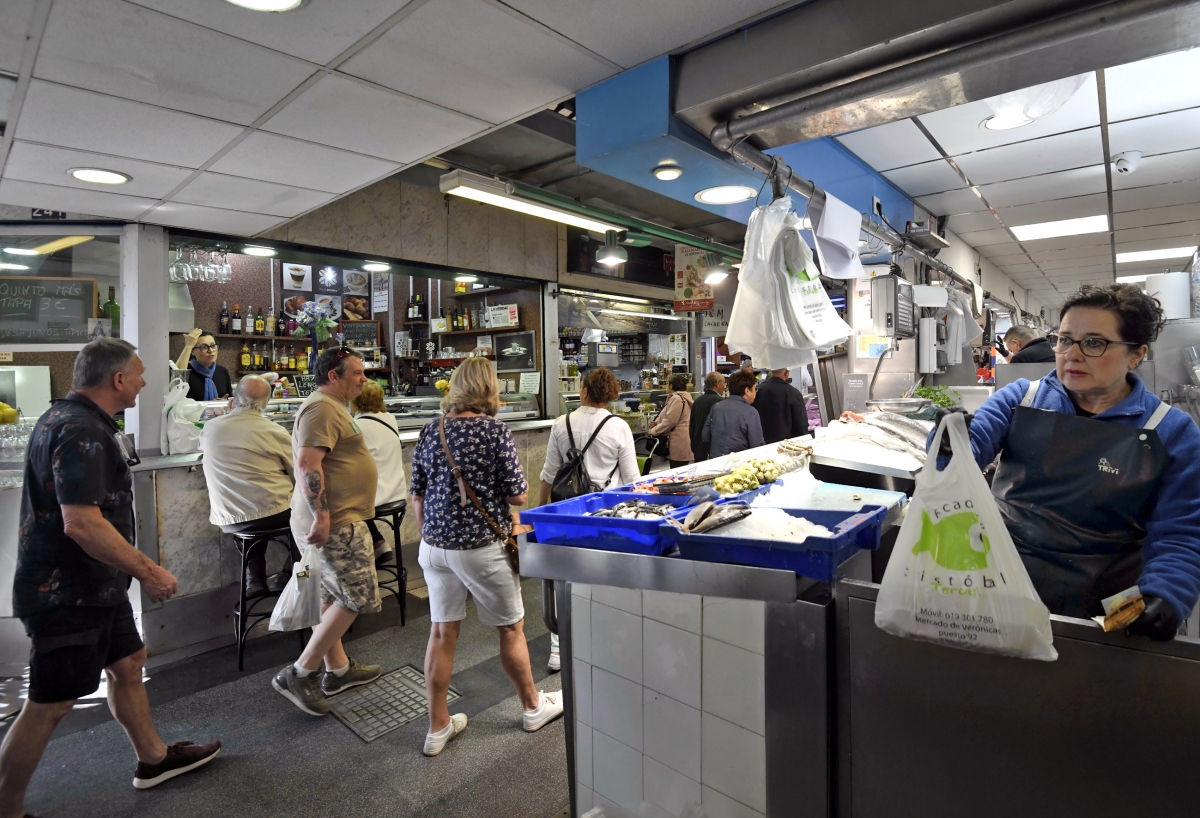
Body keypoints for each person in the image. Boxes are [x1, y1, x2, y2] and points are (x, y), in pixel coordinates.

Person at [1, 339, 220, 816]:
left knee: (129, 662)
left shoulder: (62, 417)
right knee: (50, 702)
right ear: (117, 380)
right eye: (139, 374)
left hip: (97, 586)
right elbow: (81, 521)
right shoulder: (83, 431)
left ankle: (154, 759)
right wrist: (149, 570)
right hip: (68, 593)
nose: (145, 381)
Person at [934, 284, 1200, 638]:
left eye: (1094, 343)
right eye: (1064, 339)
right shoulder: (1021, 398)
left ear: (1136, 354)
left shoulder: (1170, 431)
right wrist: (950, 445)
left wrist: (1166, 595)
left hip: (1107, 608)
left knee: (1086, 687)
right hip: (1002, 585)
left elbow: (1181, 532)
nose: (1070, 355)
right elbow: (969, 448)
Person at [413, 357, 563, 756]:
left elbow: (418, 494)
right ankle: (533, 707)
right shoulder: (494, 432)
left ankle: (437, 727)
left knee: (442, 633)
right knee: (510, 628)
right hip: (480, 547)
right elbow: (517, 496)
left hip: (434, 548)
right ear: (488, 389)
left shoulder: (432, 429)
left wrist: (432, 532)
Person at [272, 348, 383, 716]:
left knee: (332, 593)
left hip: (338, 517)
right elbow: (307, 464)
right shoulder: (321, 407)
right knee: (358, 594)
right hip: (336, 520)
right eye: (356, 372)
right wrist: (322, 516)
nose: (363, 378)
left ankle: (338, 671)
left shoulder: (332, 406)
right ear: (333, 376)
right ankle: (300, 672)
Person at [539, 366, 639, 670]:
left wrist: (540, 510)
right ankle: (601, 640)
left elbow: (549, 473)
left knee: (563, 573)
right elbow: (632, 479)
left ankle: (558, 649)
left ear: (583, 390)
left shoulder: (561, 423)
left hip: (567, 510)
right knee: (602, 572)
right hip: (605, 512)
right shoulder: (618, 426)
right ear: (609, 394)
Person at [199, 375, 295, 597]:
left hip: (230, 518)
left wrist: (228, 414)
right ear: (266, 403)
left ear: (234, 398)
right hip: (273, 513)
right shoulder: (274, 431)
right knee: (308, 516)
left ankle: (256, 579)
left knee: (252, 507)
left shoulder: (211, 428)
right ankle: (288, 575)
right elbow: (299, 474)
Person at [351, 380, 407, 569]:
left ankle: (354, 564)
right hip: (397, 490)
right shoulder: (390, 418)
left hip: (376, 496)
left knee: (339, 503)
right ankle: (378, 543)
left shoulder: (356, 426)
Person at [702, 369, 764, 457]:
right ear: (747, 391)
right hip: (739, 465)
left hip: (715, 460)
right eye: (754, 388)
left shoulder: (716, 407)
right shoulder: (751, 412)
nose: (755, 393)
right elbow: (757, 445)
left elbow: (705, 436)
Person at [752, 367, 810, 444]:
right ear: (786, 373)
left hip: (763, 443)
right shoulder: (793, 392)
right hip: (787, 444)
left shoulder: (759, 390)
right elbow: (801, 423)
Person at [649, 373, 694, 468]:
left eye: (667, 384)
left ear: (671, 386)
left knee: (677, 471)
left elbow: (669, 421)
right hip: (680, 439)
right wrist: (657, 423)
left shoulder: (677, 399)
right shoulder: (681, 398)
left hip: (677, 441)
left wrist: (654, 431)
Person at [176, 329, 232, 402]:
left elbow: (231, 399)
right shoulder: (186, 370)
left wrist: (224, 402)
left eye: (213, 346)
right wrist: (188, 346)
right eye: (204, 347)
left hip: (219, 413)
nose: (211, 350)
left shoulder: (222, 371)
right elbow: (176, 383)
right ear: (192, 351)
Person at [690, 371, 726, 461]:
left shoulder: (697, 401)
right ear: (717, 383)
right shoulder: (721, 402)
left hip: (697, 448)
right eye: (724, 383)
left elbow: (691, 427)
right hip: (713, 450)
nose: (725, 387)